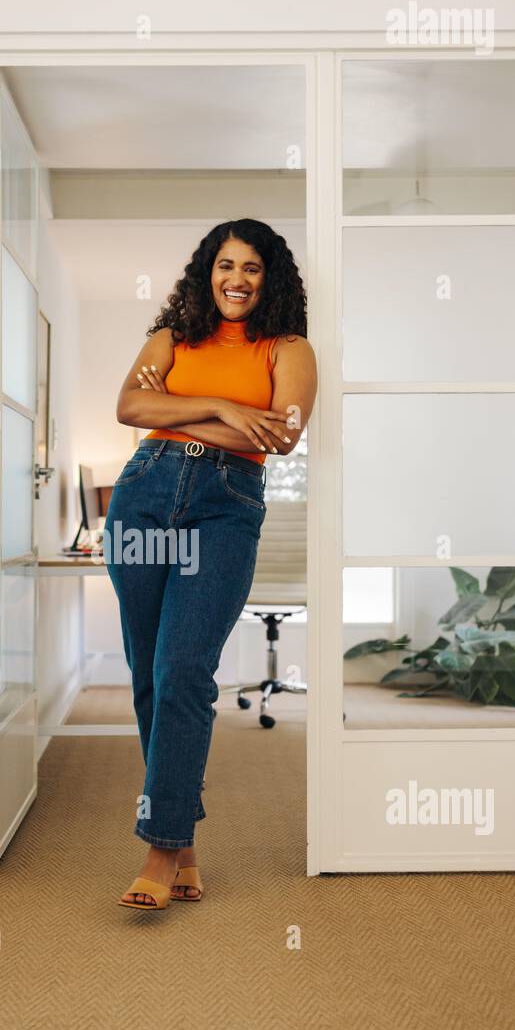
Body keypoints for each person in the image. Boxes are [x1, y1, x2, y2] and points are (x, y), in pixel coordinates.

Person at [104, 218, 318, 911]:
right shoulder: (168, 337)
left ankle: (161, 849)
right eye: (225, 265)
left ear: (270, 278)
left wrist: (176, 412)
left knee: (183, 671)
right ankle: (183, 838)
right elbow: (130, 406)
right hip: (142, 496)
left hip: (224, 507)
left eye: (251, 268)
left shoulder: (289, 348)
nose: (236, 279)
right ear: (207, 272)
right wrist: (225, 405)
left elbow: (281, 436)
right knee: (147, 675)